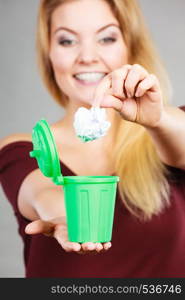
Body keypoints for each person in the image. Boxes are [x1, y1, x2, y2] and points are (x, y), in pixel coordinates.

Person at [0, 0, 185, 278]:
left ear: (130, 45)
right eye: (67, 41)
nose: (87, 56)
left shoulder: (170, 130)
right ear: (49, 54)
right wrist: (65, 216)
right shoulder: (23, 148)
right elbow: (39, 193)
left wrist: (157, 119)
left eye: (106, 38)